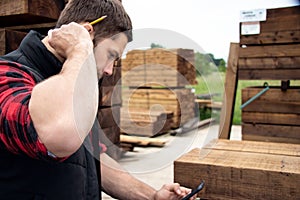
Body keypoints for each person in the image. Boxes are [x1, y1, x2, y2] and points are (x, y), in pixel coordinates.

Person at [0, 0, 197, 199]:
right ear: (86, 31)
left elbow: (94, 158)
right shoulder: (7, 75)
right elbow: (59, 135)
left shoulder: (77, 81)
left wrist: (152, 196)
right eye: (111, 54)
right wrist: (79, 49)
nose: (110, 70)